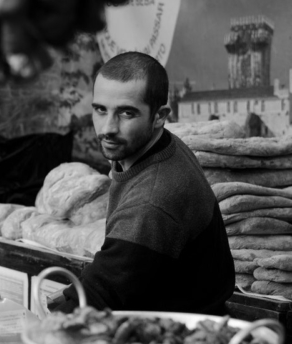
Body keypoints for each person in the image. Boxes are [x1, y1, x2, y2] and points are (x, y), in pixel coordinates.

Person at [59, 52, 234, 314]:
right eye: (100, 110)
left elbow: (96, 298)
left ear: (159, 116)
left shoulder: (152, 200)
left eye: (126, 113)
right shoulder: (155, 145)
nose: (107, 127)